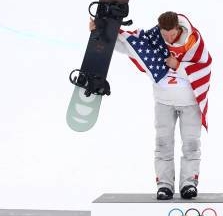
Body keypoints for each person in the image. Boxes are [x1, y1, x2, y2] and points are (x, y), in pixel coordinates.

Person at [89, 11, 211, 200]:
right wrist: (100, 31)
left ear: (178, 28)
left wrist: (178, 65)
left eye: (172, 33)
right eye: (165, 34)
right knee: (163, 144)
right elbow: (128, 45)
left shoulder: (193, 42)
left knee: (191, 145)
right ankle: (164, 185)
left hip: (189, 102)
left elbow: (205, 67)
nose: (169, 38)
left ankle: (189, 183)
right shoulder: (155, 39)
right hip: (163, 101)